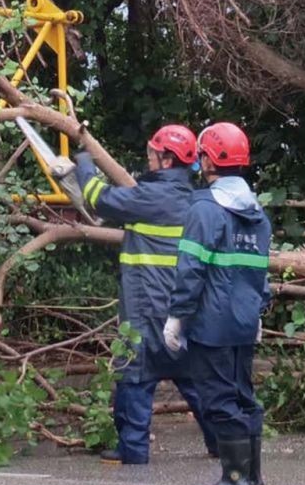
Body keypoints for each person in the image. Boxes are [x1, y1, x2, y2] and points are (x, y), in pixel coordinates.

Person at [74, 125, 219, 465]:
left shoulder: (148, 198)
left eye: (153, 153)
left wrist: (81, 162)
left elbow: (98, 197)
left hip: (145, 306)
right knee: (193, 380)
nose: (148, 157)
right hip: (184, 309)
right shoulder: (196, 201)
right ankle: (222, 443)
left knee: (135, 376)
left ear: (167, 160)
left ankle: (133, 452)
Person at [162, 121, 271, 485]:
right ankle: (252, 477)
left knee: (219, 398)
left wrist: (177, 317)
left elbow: (191, 270)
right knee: (243, 395)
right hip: (243, 320)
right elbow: (259, 272)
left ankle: (236, 478)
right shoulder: (257, 213)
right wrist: (257, 312)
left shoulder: (205, 208)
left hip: (211, 323)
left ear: (208, 161)